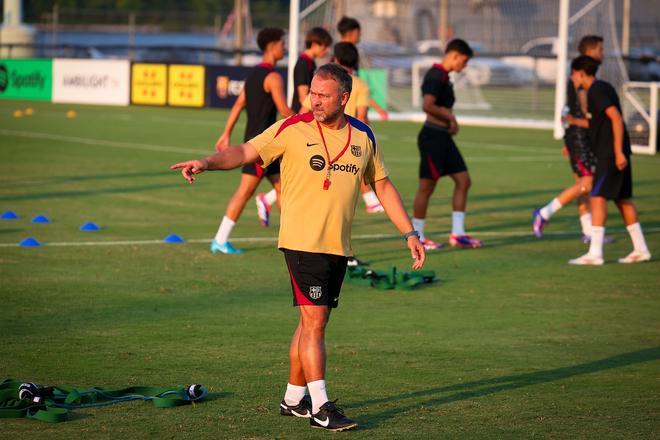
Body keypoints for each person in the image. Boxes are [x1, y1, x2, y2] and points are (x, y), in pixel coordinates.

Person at [171, 64, 426, 431]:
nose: (315, 100)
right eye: (313, 93)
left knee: (310, 323)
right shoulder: (292, 128)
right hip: (301, 241)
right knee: (316, 321)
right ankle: (321, 406)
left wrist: (410, 233)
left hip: (337, 244)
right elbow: (245, 151)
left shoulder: (364, 136)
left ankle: (293, 398)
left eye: (324, 95)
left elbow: (383, 187)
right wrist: (207, 162)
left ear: (344, 98)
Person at [210, 28, 294, 254]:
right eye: (282, 43)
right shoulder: (273, 77)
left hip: (265, 144)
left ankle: (295, 239)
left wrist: (226, 133)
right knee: (245, 192)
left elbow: (238, 105)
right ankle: (220, 239)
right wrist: (310, 120)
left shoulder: (254, 75)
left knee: (283, 189)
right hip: (263, 146)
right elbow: (284, 110)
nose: (284, 47)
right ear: (272, 46)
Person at [567, 55, 651, 265]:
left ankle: (595, 253)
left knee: (597, 197)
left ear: (580, 72)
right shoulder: (601, 88)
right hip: (614, 152)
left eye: (573, 74)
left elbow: (615, 117)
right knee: (622, 199)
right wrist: (575, 121)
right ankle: (641, 249)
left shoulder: (596, 90)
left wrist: (618, 152)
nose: (572, 79)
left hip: (610, 154)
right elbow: (600, 123)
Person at [253, 27, 333, 227]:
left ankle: (271, 203)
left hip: (305, 124)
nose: (326, 51)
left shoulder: (310, 63)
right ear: (315, 44)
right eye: (325, 46)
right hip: (303, 126)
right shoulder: (303, 64)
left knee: (294, 180)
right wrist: (313, 118)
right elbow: (303, 96)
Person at [533, 35, 608, 243]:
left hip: (580, 137)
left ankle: (589, 231)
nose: (603, 53)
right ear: (590, 52)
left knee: (585, 186)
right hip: (581, 138)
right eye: (600, 49)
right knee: (587, 185)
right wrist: (573, 135)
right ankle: (544, 213)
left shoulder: (586, 76)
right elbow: (578, 111)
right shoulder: (580, 77)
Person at [411, 38, 482, 250]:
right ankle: (419, 236)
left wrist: (450, 122)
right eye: (465, 60)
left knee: (464, 181)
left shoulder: (445, 77)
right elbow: (428, 105)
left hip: (443, 137)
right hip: (432, 137)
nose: (465, 65)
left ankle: (458, 234)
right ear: (454, 56)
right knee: (426, 188)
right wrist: (451, 119)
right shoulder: (435, 75)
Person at [336, 16, 387, 213]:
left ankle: (369, 199)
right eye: (359, 32)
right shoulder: (343, 57)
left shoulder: (346, 60)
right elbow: (357, 89)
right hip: (345, 121)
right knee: (356, 160)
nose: (360, 36)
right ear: (351, 33)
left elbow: (358, 90)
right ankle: (370, 199)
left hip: (348, 118)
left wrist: (377, 108)